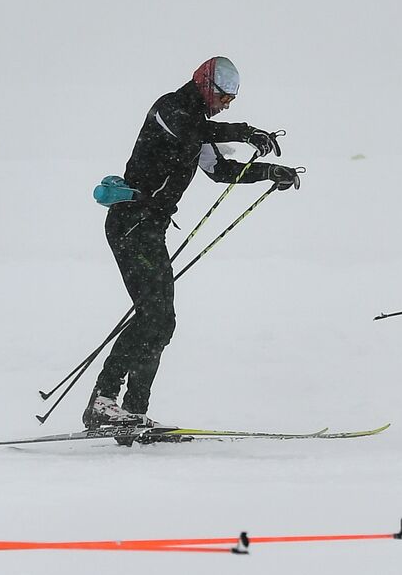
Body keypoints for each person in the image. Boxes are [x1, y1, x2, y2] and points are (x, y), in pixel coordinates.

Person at [82, 56, 301, 429]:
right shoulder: (170, 109)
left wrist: (269, 173)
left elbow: (220, 171)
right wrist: (246, 132)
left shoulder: (198, 129)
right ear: (204, 84)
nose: (227, 103)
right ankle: (103, 401)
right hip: (130, 223)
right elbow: (193, 132)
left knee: (162, 319)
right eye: (223, 95)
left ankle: (133, 410)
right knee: (153, 313)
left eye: (231, 98)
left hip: (151, 228)